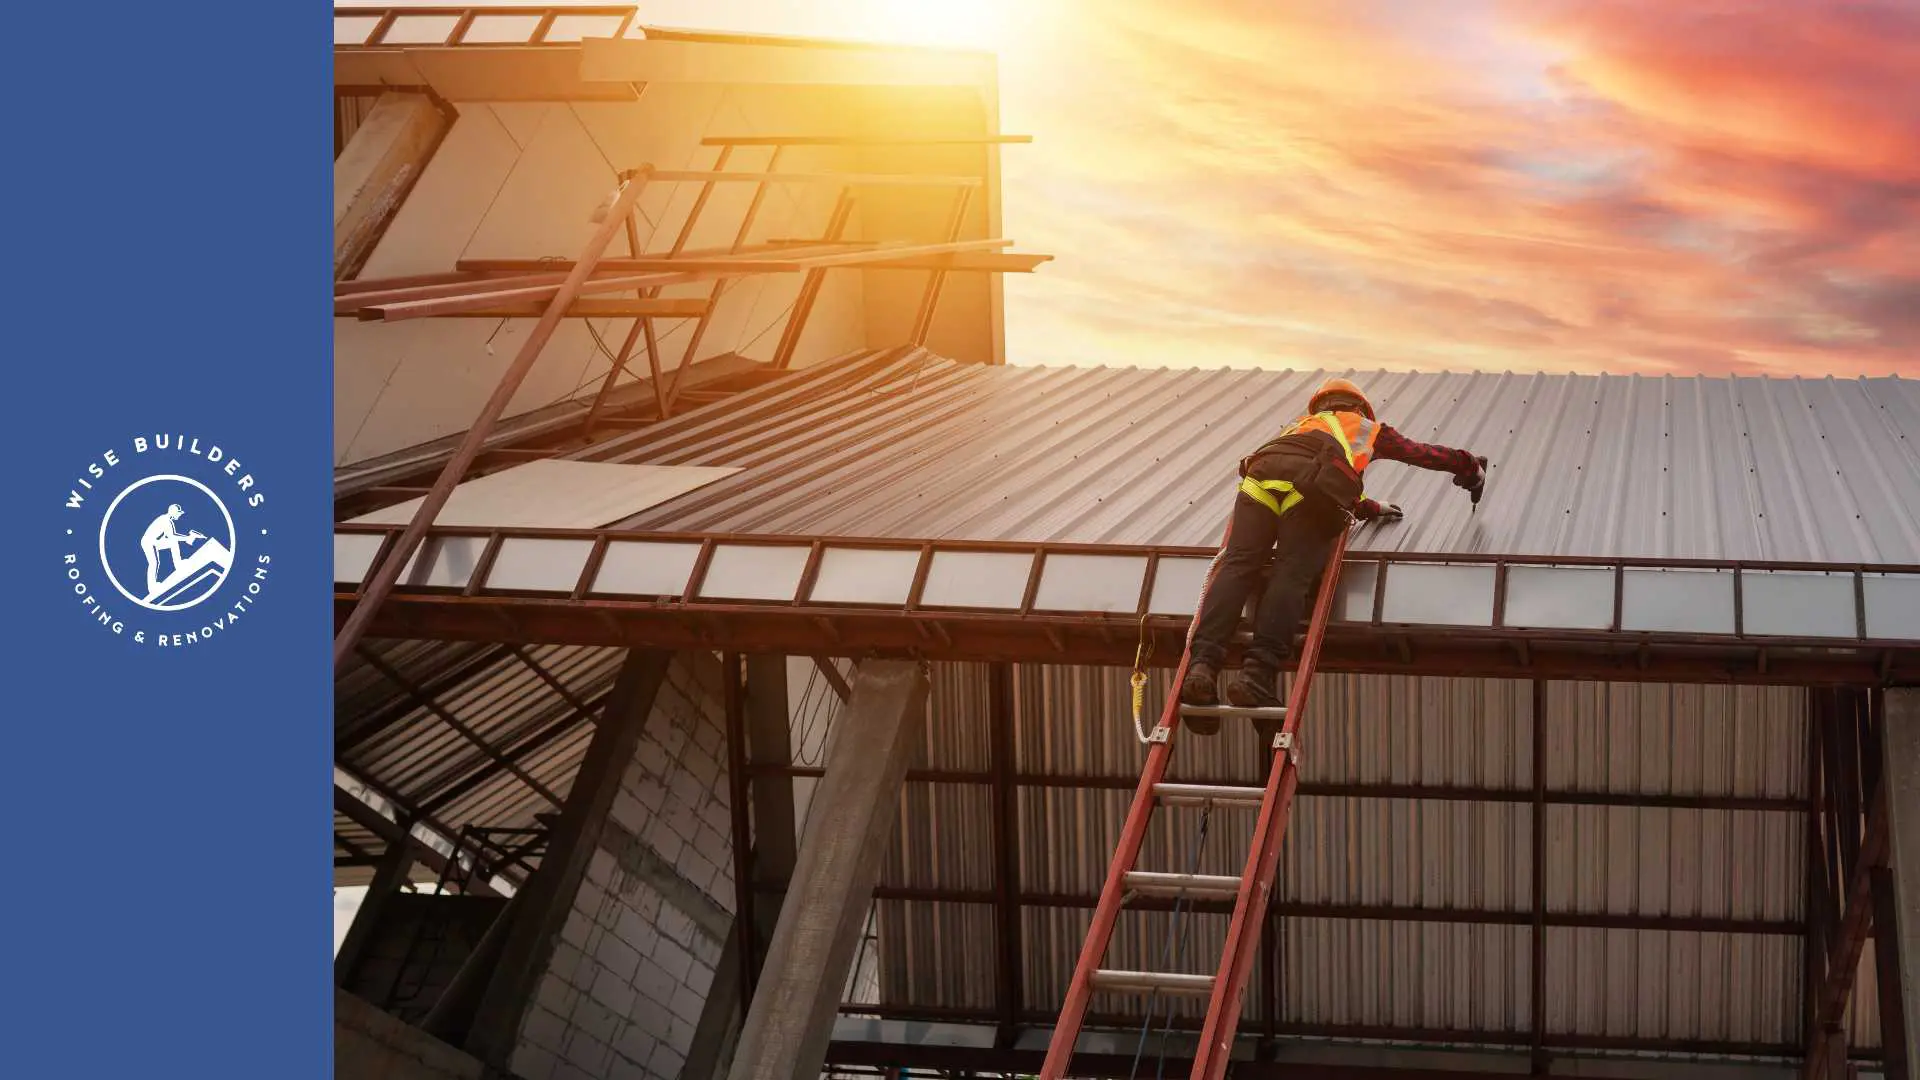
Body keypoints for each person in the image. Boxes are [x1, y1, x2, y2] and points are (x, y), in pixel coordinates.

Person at [1180, 378, 1487, 735]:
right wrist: (1470, 467)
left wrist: (1369, 507)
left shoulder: (1299, 425)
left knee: (1237, 567)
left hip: (1259, 477)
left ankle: (1201, 670)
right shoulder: (1367, 427)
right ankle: (1256, 676)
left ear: (1321, 405)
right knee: (1291, 574)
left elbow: (1316, 470)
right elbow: (1421, 453)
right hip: (1307, 489)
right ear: (1360, 407)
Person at [141, 503, 206, 595]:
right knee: (154, 562)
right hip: (149, 542)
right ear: (173, 512)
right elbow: (172, 536)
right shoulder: (166, 520)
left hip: (155, 541)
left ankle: (178, 564)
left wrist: (188, 538)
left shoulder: (167, 519)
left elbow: (171, 537)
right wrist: (188, 538)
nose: (180, 515)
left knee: (173, 543)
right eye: (178, 513)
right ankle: (152, 588)